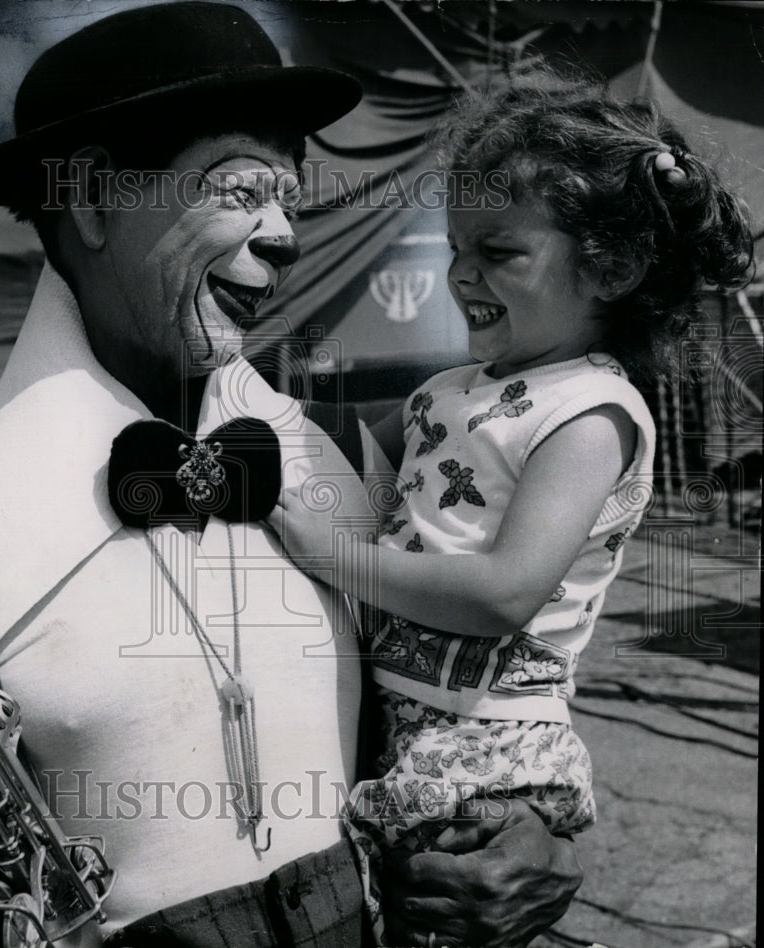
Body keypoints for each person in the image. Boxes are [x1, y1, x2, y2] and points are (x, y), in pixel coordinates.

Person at [0, 7, 586, 947]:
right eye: (240, 189)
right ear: (95, 203)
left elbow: (475, 693)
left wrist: (541, 831)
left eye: (288, 194)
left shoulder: (344, 457)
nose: (284, 233)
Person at [269, 74, 755, 944]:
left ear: (611, 267)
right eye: (456, 246)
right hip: (409, 723)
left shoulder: (591, 414)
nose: (461, 273)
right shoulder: (453, 390)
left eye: (499, 251)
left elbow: (504, 592)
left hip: (484, 753)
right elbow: (318, 441)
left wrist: (329, 554)